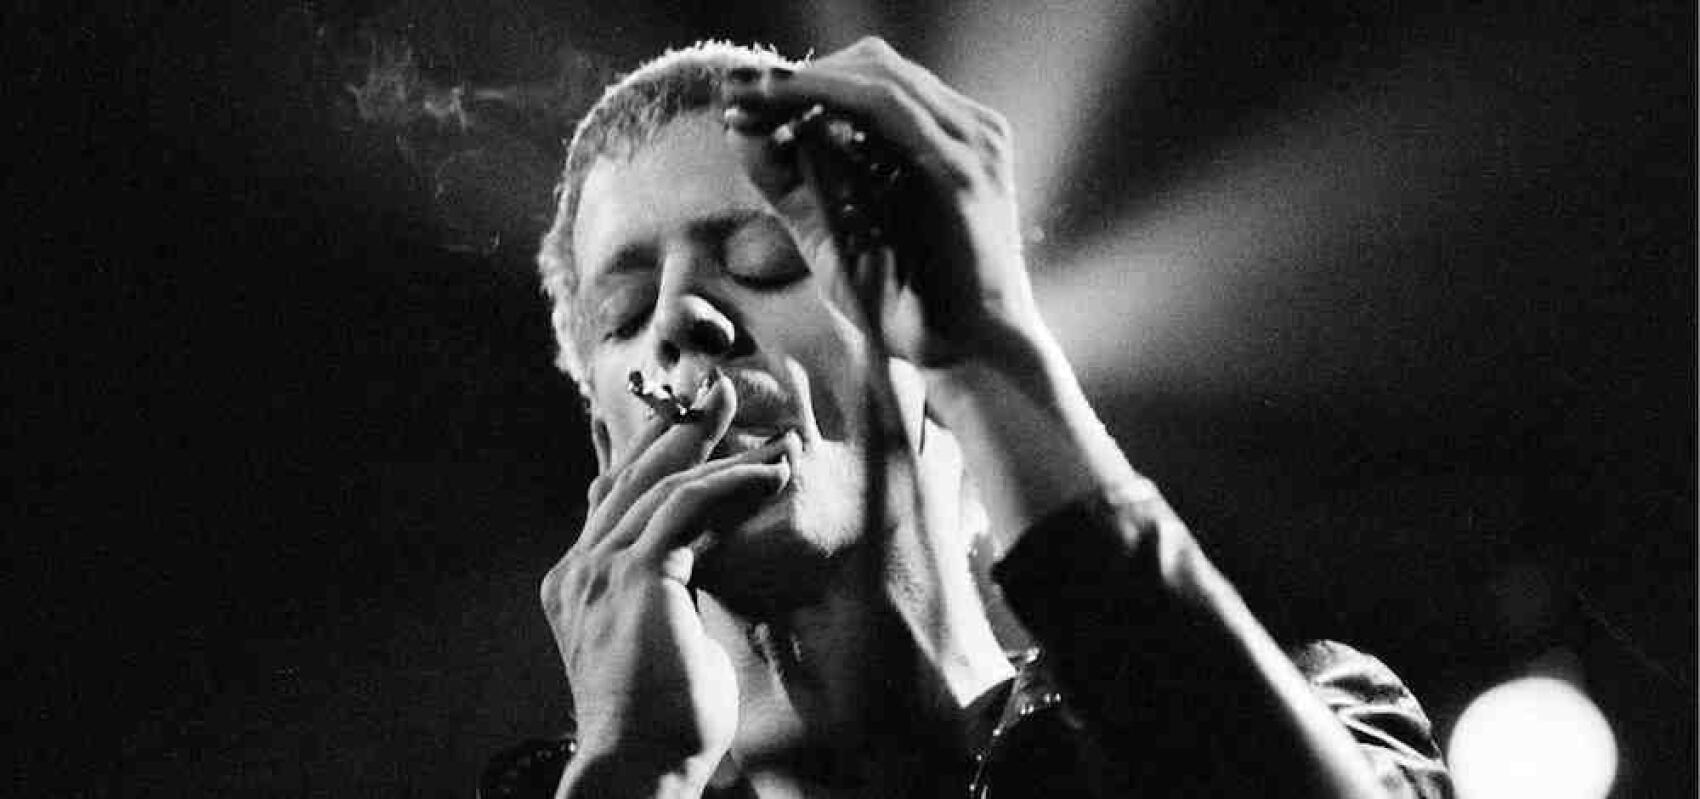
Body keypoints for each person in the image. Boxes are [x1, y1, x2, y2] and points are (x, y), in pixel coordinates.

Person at [484, 39, 1453, 798]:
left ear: (926, 354)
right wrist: (630, 775)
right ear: (607, 443)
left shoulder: (1308, 714)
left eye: (762, 256)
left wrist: (991, 355)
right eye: (623, 313)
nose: (679, 316)